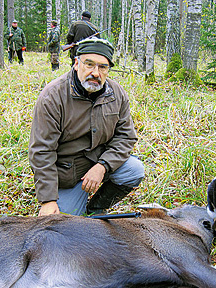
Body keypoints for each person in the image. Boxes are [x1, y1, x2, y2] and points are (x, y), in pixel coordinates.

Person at [29, 37, 145, 216]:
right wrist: (48, 200)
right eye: (89, 64)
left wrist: (103, 166)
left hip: (100, 162)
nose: (96, 73)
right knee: (63, 225)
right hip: (68, 174)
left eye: (102, 67)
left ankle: (96, 208)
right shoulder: (53, 96)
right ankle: (71, 203)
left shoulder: (117, 94)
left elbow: (126, 137)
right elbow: (42, 151)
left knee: (134, 170)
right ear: (77, 63)